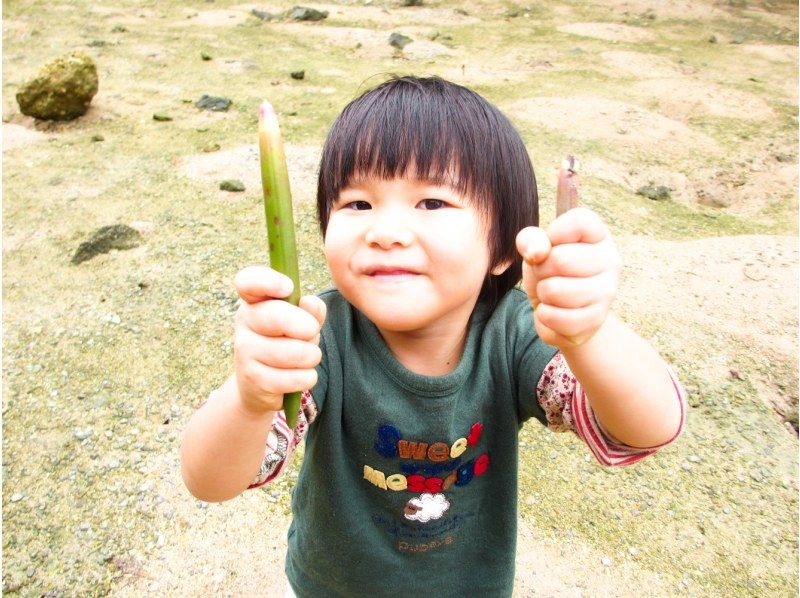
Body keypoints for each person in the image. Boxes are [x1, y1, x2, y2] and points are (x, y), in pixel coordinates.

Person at [181, 76, 686, 596]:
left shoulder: (514, 333)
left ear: (503, 248)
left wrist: (589, 335)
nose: (385, 231)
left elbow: (646, 428)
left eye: (431, 202)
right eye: (357, 204)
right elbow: (212, 482)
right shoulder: (316, 337)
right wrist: (249, 398)